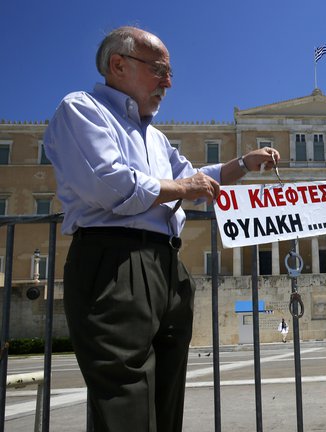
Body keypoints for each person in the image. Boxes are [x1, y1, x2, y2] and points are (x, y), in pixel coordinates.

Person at [43, 26, 280, 432]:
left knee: (166, 397)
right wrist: (185, 187)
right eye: (159, 70)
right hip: (114, 262)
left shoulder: (154, 137)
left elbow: (193, 177)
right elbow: (111, 185)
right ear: (119, 64)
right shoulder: (81, 110)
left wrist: (243, 163)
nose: (168, 83)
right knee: (125, 399)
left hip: (167, 267)